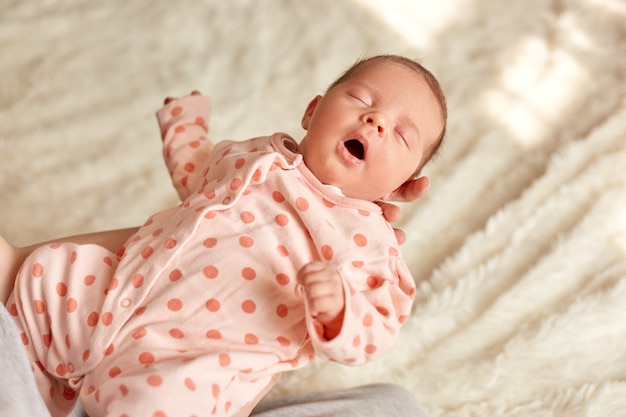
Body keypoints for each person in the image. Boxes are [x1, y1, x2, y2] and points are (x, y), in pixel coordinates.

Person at [0, 54, 446, 417]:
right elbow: (197, 169)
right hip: (115, 293)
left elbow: (380, 324)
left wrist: (341, 310)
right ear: (312, 112)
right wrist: (184, 125)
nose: (376, 120)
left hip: (189, 363)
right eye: (360, 98)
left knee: (161, 402)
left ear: (403, 185)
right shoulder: (254, 156)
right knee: (48, 274)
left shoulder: (371, 244)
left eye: (402, 135)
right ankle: (34, 376)